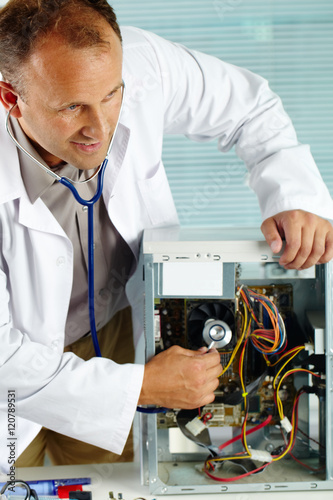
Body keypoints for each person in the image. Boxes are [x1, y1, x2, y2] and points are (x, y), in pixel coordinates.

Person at [0, 0, 332, 470]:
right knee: (19, 480)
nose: (100, 128)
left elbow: (250, 107)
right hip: (11, 375)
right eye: (72, 106)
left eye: (112, 95)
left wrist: (294, 196)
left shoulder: (141, 64)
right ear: (11, 98)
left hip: (113, 324)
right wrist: (137, 388)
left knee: (113, 481)